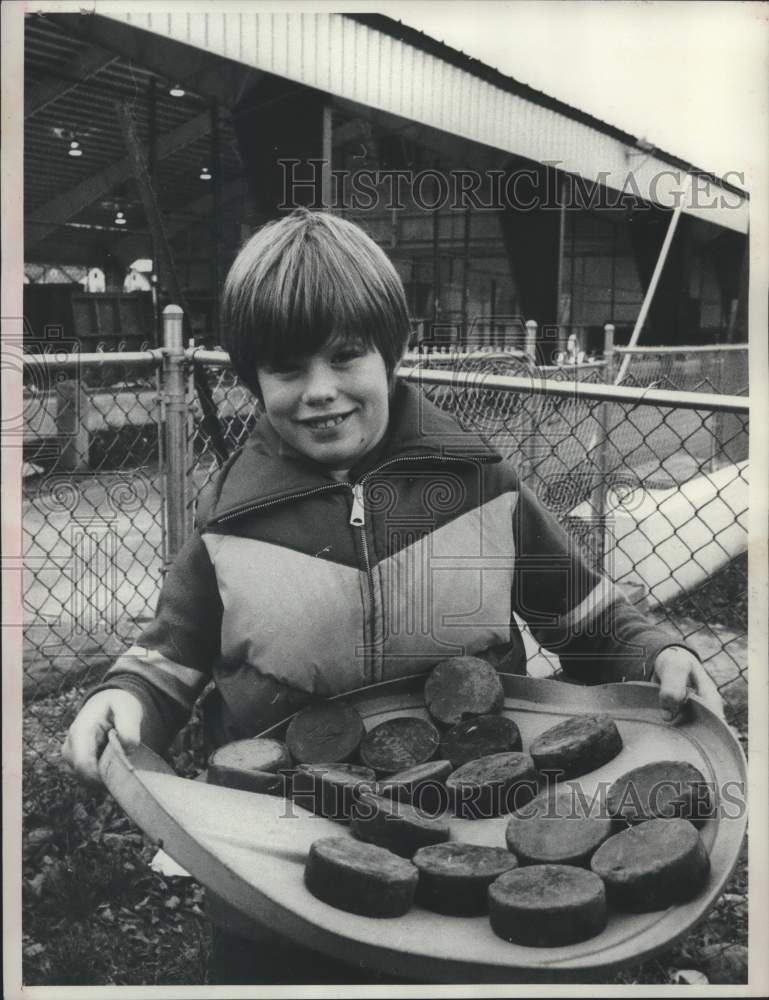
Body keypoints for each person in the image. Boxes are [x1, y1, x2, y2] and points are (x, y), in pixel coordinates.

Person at [63, 208, 723, 984]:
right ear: (251, 378)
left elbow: (586, 613)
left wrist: (657, 650)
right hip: (281, 850)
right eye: (285, 368)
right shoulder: (227, 521)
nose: (319, 392)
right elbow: (172, 652)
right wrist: (127, 696)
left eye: (346, 357)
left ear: (392, 352)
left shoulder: (479, 484)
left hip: (471, 833)